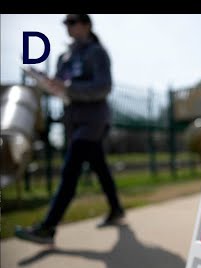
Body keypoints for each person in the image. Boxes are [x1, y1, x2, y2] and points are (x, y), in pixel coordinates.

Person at [15, 14, 125, 245]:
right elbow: (60, 88)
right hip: (73, 121)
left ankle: (48, 227)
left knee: (70, 170)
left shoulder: (97, 53)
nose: (68, 26)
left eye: (72, 21)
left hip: (93, 120)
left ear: (86, 25)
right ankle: (116, 209)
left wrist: (69, 87)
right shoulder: (64, 57)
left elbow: (103, 87)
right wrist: (46, 83)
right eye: (66, 22)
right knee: (100, 167)